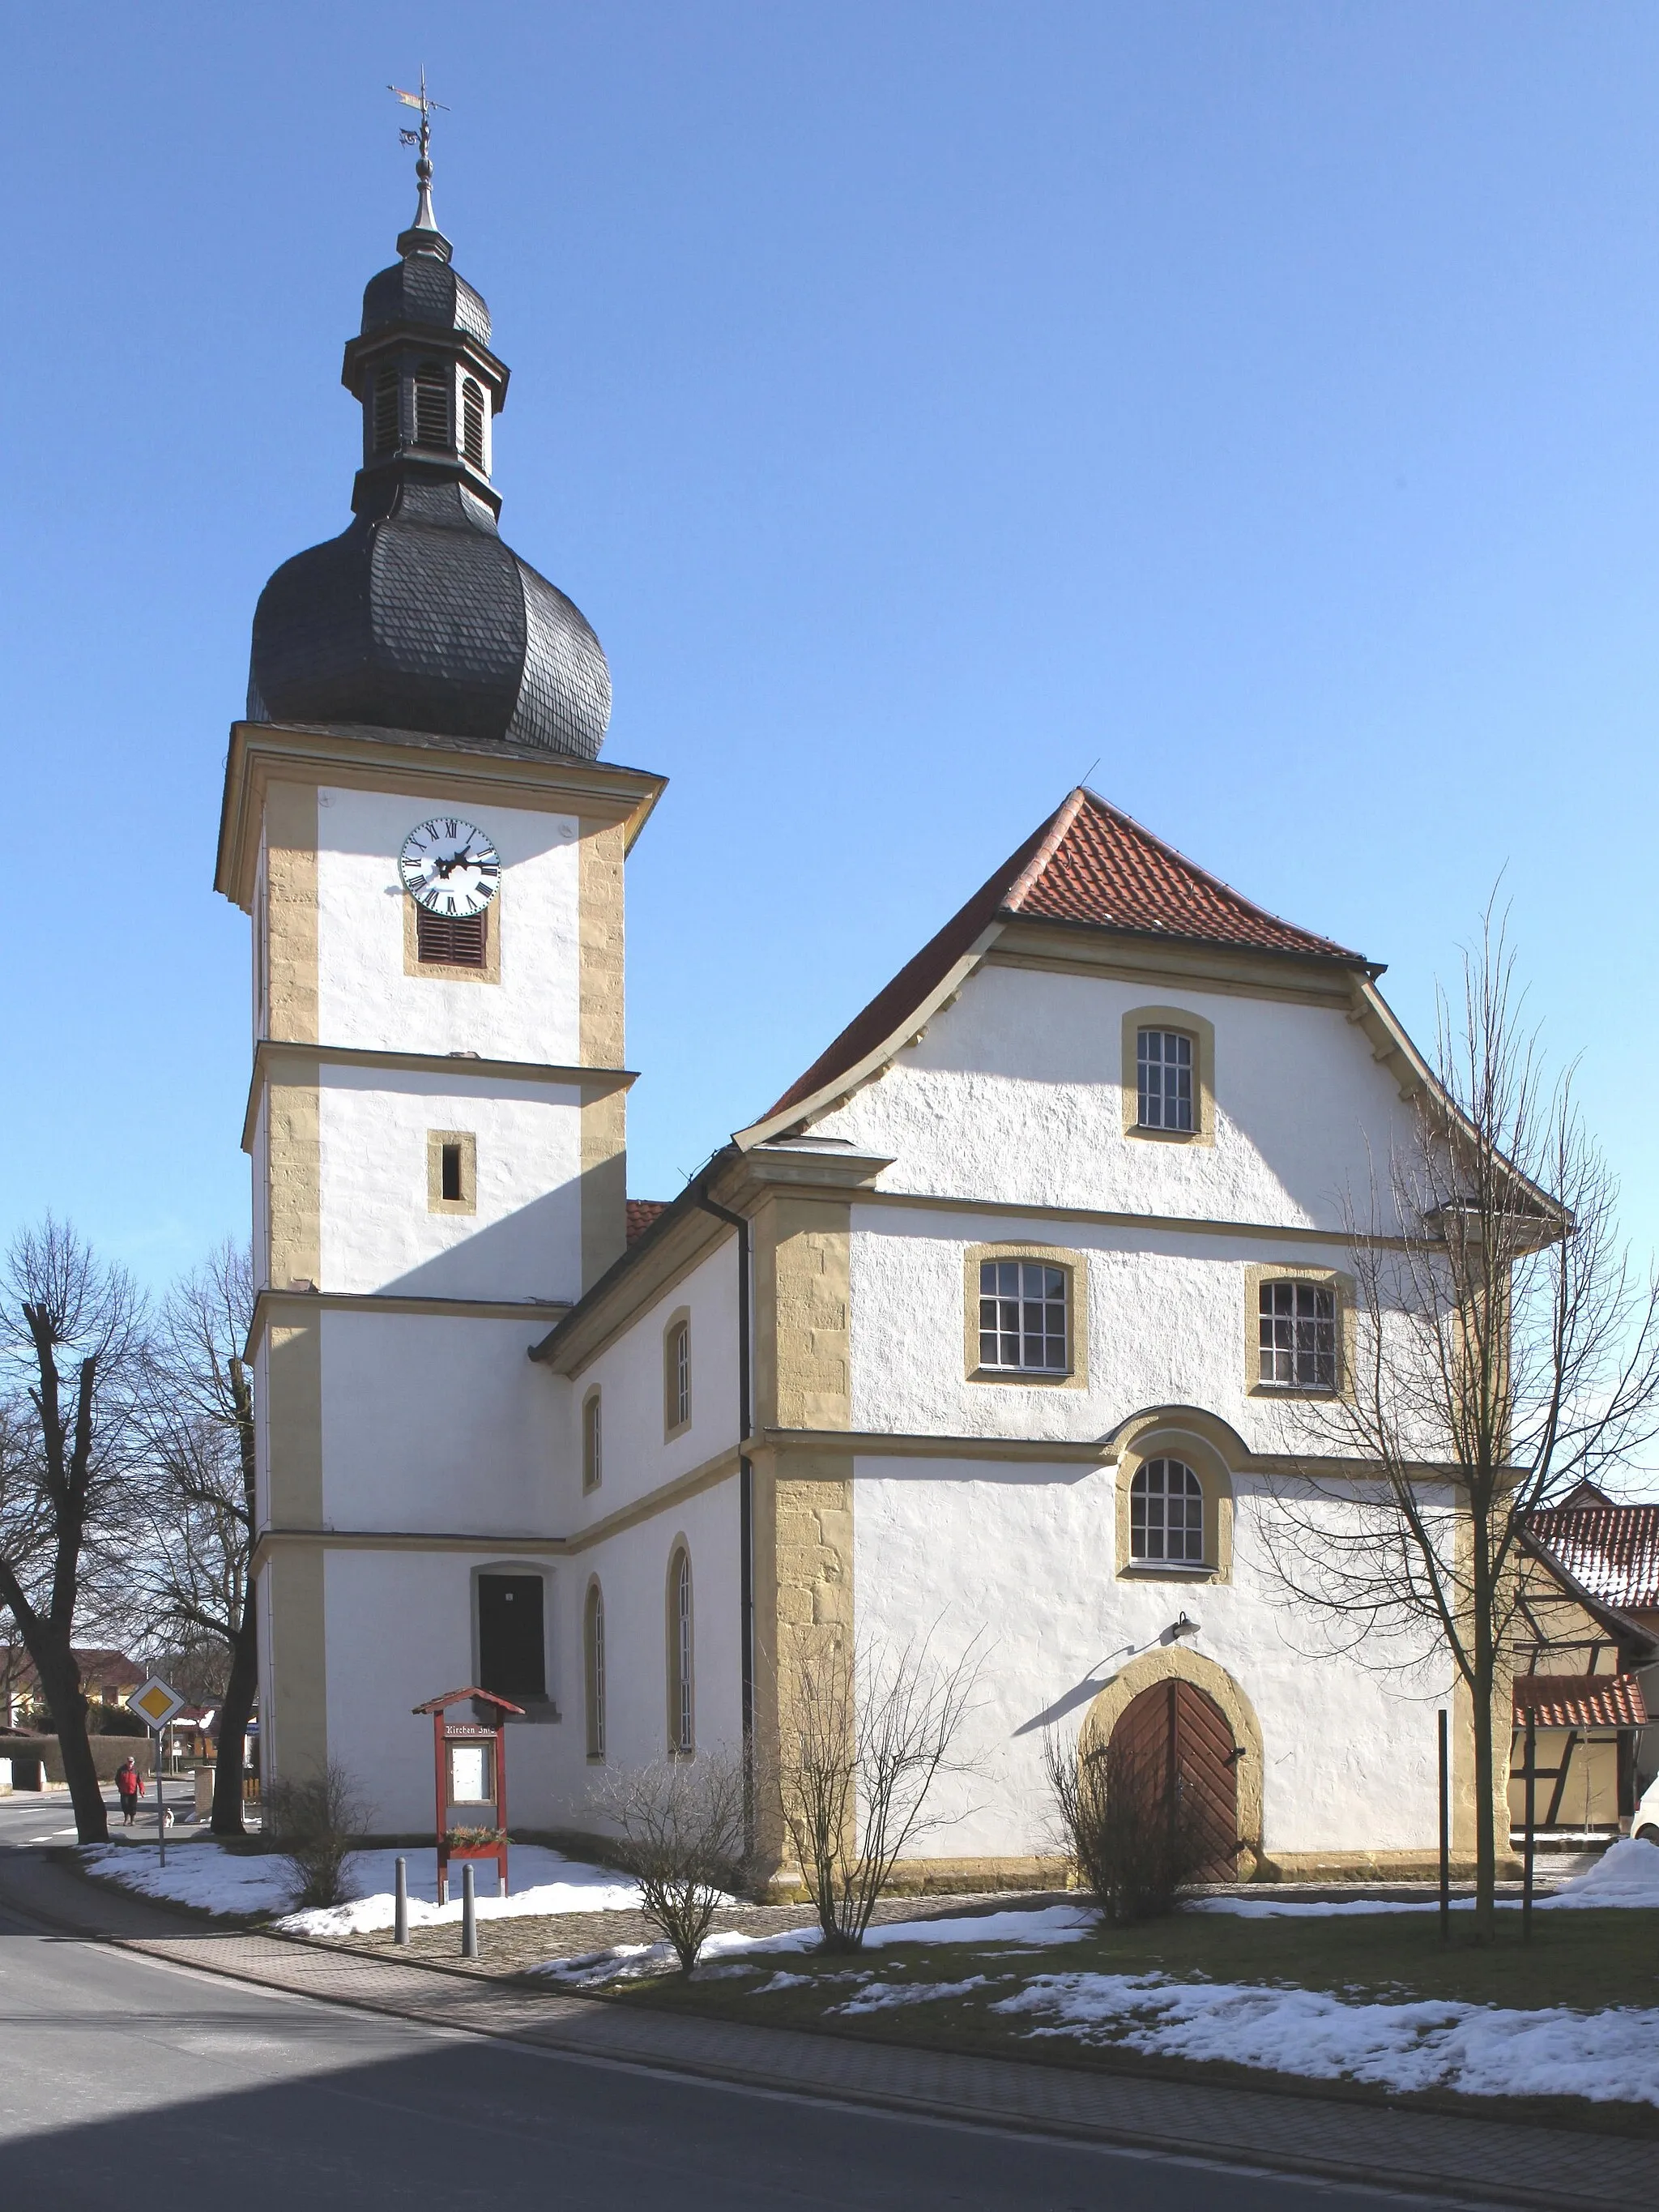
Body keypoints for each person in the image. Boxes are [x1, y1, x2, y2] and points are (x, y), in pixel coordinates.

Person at [115, 1755, 144, 1828]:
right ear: (127, 1762)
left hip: (133, 1791)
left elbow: (139, 1781)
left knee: (133, 1806)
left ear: (133, 1763)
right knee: (125, 1805)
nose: (130, 1763)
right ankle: (126, 1820)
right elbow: (117, 1780)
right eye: (129, 1762)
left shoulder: (136, 1771)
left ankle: (132, 1820)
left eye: (131, 1762)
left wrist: (142, 1790)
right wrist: (120, 1787)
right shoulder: (121, 1770)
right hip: (124, 1791)